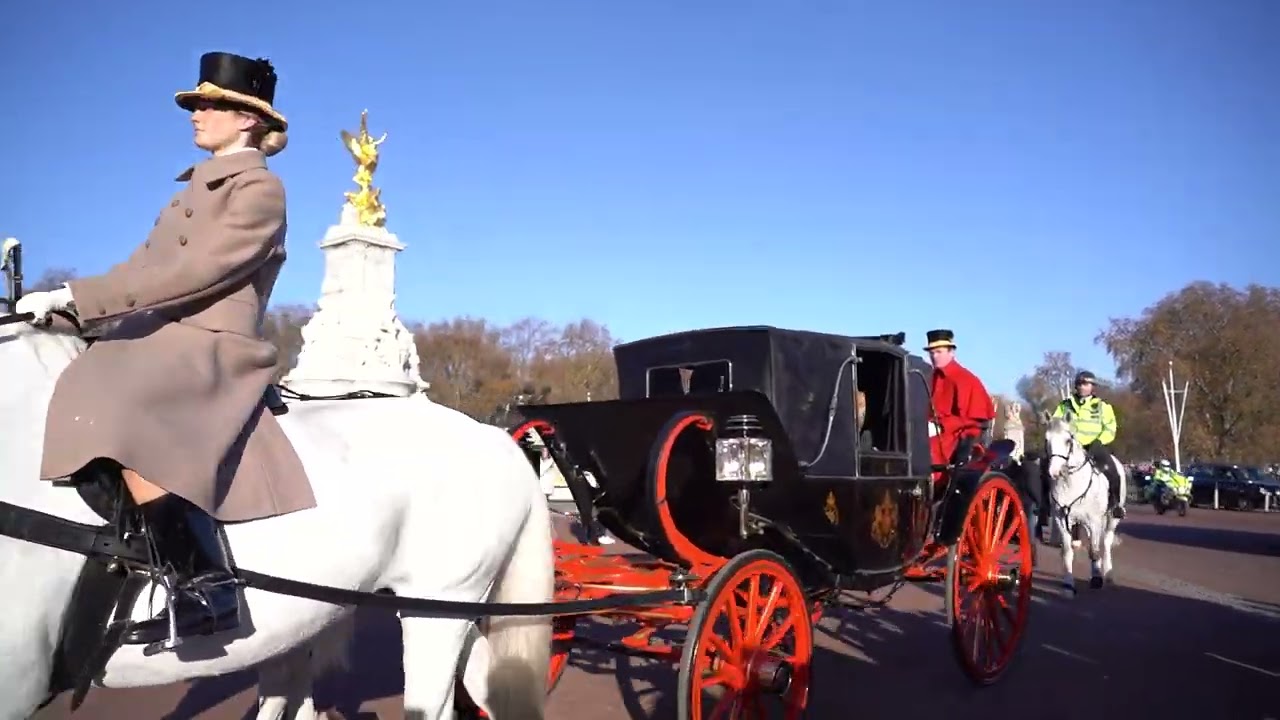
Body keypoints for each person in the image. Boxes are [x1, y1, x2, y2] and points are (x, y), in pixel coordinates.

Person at [15, 51, 312, 646]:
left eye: (211, 104)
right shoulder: (189, 191)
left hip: (211, 340)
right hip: (162, 329)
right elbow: (142, 267)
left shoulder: (260, 189)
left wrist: (81, 292)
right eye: (196, 104)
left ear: (249, 120)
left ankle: (206, 584)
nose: (197, 113)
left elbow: (197, 273)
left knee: (116, 405)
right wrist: (68, 309)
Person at [1047, 370, 1124, 518]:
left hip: (1094, 445)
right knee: (1047, 466)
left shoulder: (1103, 406)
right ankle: (1046, 504)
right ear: (1076, 386)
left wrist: (1100, 441)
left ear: (1092, 387)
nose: (1083, 387)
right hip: (1069, 446)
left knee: (1112, 470)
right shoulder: (1065, 405)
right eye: (1080, 384)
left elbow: (1110, 427)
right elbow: (1055, 423)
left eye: (1087, 384)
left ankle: (1116, 504)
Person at [924, 329, 995, 472]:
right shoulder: (929, 378)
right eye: (931, 353)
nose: (934, 356)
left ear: (951, 352)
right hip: (933, 429)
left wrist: (940, 425)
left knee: (925, 449)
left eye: (939, 352)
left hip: (957, 435)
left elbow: (973, 420)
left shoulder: (966, 379)